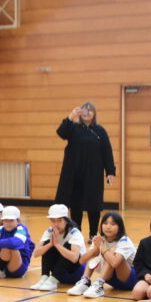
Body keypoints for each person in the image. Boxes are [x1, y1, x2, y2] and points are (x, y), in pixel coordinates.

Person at [55, 102, 116, 238]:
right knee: (75, 205)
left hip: (93, 174)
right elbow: (61, 132)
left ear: (94, 113)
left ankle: (93, 234)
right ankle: (76, 233)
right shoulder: (73, 128)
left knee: (94, 205)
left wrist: (110, 171)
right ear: (80, 113)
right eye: (85, 110)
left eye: (90, 110)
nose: (87, 112)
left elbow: (107, 151)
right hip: (75, 174)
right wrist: (71, 116)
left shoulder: (100, 131)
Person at [68, 211, 136, 299]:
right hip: (112, 279)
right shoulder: (100, 239)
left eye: (113, 224)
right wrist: (95, 249)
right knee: (94, 252)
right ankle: (85, 281)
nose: (108, 227)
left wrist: (102, 247)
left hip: (130, 280)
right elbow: (81, 261)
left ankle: (99, 283)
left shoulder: (124, 241)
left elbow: (115, 263)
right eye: (105, 223)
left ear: (120, 227)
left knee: (112, 251)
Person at [31, 203, 85, 291]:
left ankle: (52, 280)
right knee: (48, 244)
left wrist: (57, 245)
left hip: (75, 273)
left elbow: (75, 258)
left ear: (66, 220)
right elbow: (35, 254)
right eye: (53, 221)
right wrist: (50, 245)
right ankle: (44, 278)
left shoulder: (74, 233)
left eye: (59, 220)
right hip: (59, 273)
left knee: (67, 245)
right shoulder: (49, 231)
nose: (56, 224)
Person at [0, 206, 34, 282]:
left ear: (18, 221)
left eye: (11, 220)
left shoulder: (22, 229)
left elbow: (14, 242)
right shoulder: (1, 229)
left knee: (7, 245)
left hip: (18, 268)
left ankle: (0, 270)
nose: (8, 223)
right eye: (5, 220)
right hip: (4, 265)